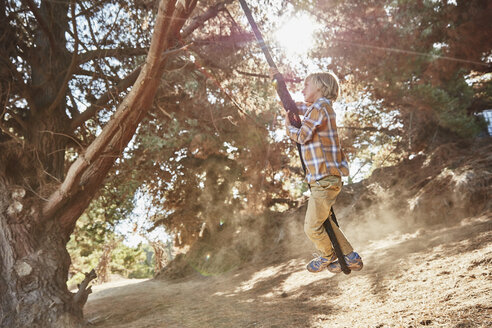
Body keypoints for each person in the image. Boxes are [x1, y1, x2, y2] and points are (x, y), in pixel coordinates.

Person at [270, 69, 363, 274]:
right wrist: (278, 83)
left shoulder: (319, 108)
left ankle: (328, 256)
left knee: (312, 227)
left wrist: (288, 128)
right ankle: (350, 257)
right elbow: (293, 107)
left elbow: (302, 136)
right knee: (325, 222)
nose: (302, 88)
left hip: (323, 178)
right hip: (324, 179)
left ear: (320, 86)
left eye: (306, 85)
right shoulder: (320, 107)